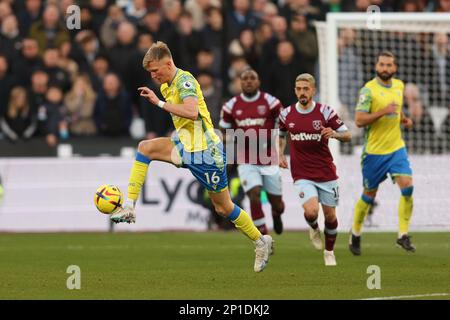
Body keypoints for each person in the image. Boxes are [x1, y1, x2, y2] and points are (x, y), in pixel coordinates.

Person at [109, 41, 273, 273]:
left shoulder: (184, 82)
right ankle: (129, 206)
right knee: (146, 147)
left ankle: (260, 241)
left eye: (155, 70)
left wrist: (159, 103)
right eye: (150, 72)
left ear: (168, 63)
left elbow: (192, 111)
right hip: (186, 147)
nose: (153, 75)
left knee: (223, 208)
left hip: (207, 153)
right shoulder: (166, 85)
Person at [278, 73, 351, 266]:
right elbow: (281, 134)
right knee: (311, 212)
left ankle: (329, 252)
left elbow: (348, 135)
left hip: (326, 172)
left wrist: (334, 134)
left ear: (313, 90)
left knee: (330, 216)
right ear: (295, 90)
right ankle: (313, 226)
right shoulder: (286, 114)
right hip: (302, 173)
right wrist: (280, 154)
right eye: (299, 89)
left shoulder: (325, 112)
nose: (302, 92)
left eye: (306, 89)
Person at [349, 51, 416, 256]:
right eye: (382, 64)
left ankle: (402, 235)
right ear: (376, 66)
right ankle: (355, 233)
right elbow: (359, 120)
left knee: (407, 187)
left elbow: (395, 109)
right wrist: (382, 112)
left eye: (389, 65)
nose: (385, 68)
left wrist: (403, 118)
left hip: (396, 148)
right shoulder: (368, 90)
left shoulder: (399, 85)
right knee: (369, 196)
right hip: (374, 153)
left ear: (394, 68)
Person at [220, 68, 285, 235]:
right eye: (245, 78)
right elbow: (225, 132)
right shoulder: (230, 106)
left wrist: (280, 150)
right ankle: (264, 236)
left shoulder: (271, 103)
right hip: (246, 158)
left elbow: (284, 126)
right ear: (240, 83)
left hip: (268, 157)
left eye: (252, 78)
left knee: (276, 202)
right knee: (254, 194)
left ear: (258, 82)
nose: (249, 81)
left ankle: (277, 215)